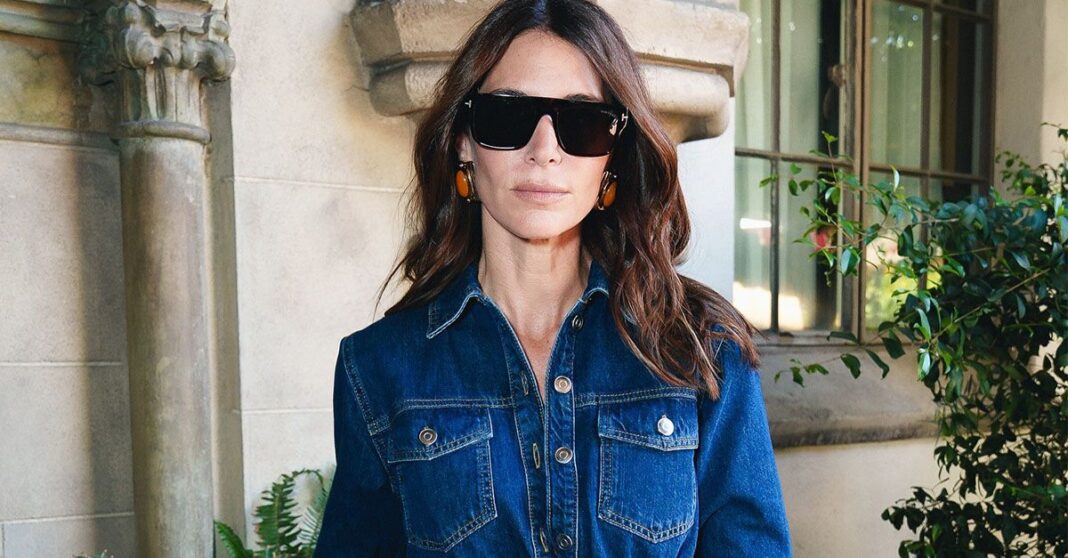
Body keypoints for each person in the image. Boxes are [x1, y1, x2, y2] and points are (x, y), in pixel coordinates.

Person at [315, 0, 791, 555]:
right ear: (464, 141)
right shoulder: (378, 368)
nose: (544, 152)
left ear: (613, 154)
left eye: (582, 123)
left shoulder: (702, 347)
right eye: (508, 116)